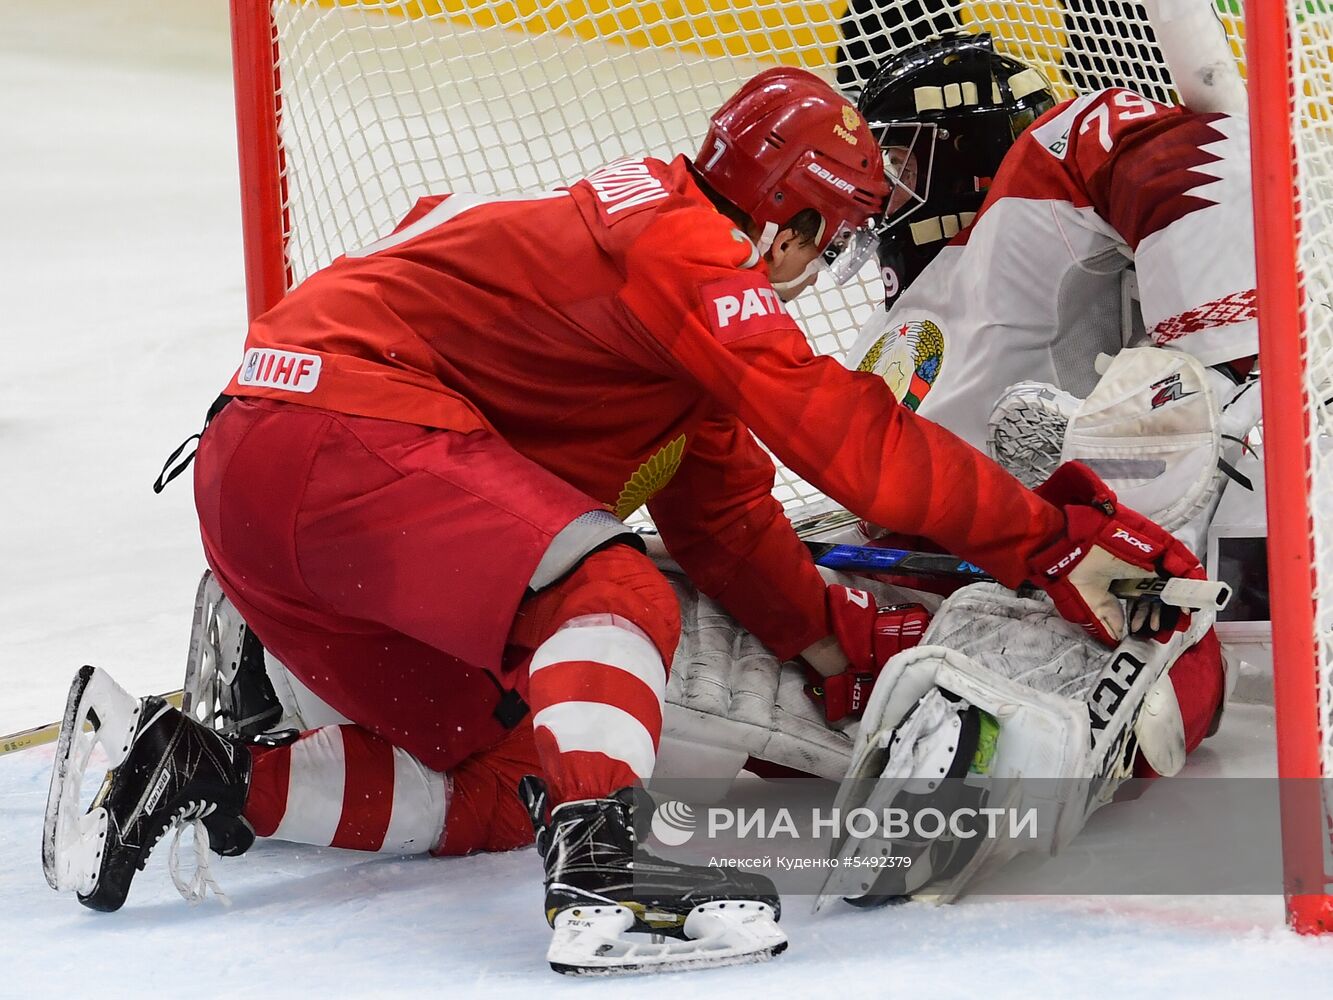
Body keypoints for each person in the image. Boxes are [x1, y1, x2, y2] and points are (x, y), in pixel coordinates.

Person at [42, 65, 1205, 976]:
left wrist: (832, 653)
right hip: (337, 442)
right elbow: (837, 432)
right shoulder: (685, 250)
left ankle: (186, 764)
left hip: (279, 485)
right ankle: (609, 889)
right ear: (789, 225)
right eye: (832, 236)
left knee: (499, 779)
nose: (828, 263)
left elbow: (726, 519)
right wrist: (1044, 537)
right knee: (612, 589)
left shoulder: (656, 283)